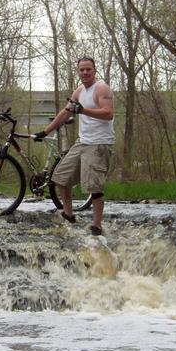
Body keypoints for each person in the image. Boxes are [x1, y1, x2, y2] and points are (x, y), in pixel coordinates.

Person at [33, 57, 115, 236]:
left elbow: (108, 113)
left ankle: (96, 225)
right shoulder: (79, 91)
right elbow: (65, 112)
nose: (85, 73)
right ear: (78, 72)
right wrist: (45, 132)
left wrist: (83, 110)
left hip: (99, 144)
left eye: (88, 70)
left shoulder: (102, 88)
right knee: (61, 177)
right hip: (82, 142)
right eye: (82, 70)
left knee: (94, 187)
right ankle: (68, 214)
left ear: (95, 70)